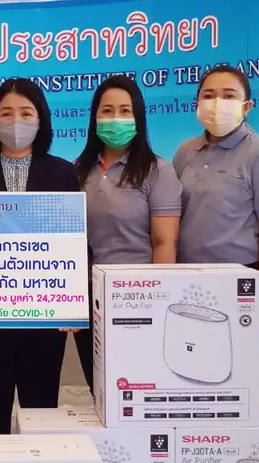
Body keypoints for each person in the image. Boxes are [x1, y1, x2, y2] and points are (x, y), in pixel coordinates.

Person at [0, 78, 79, 435]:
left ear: (41, 119)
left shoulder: (63, 172)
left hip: (45, 312)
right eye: (6, 113)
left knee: (41, 409)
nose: (16, 122)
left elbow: (72, 242)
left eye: (26, 113)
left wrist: (73, 303)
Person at [73, 76, 182, 394]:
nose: (115, 119)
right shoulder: (77, 170)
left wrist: (160, 301)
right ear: (95, 118)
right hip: (90, 299)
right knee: (99, 387)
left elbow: (164, 242)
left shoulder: (158, 171)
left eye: (124, 111)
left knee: (137, 388)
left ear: (138, 117)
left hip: (138, 299)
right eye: (107, 111)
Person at [173, 65, 259, 335]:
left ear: (247, 107)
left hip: (239, 280)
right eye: (209, 95)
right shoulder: (185, 152)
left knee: (232, 353)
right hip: (187, 276)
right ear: (197, 104)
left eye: (228, 96)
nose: (217, 103)